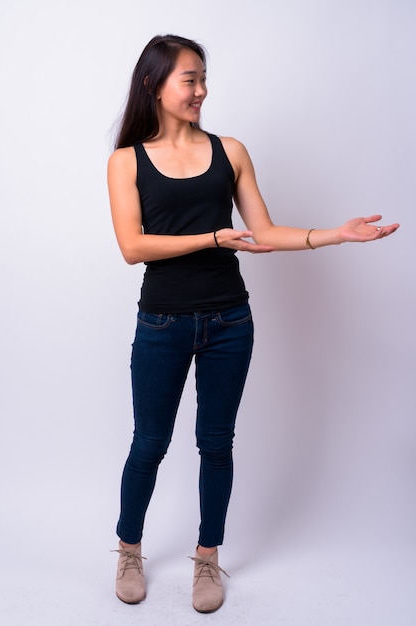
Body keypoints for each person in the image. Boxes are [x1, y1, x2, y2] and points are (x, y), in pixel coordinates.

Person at [107, 34, 399, 613]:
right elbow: (132, 247)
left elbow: (262, 232)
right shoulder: (126, 161)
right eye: (189, 79)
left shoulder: (230, 150)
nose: (201, 90)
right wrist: (214, 236)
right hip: (162, 324)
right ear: (154, 85)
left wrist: (334, 234)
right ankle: (128, 549)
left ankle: (208, 558)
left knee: (216, 445)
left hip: (229, 322)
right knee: (149, 444)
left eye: (203, 77)